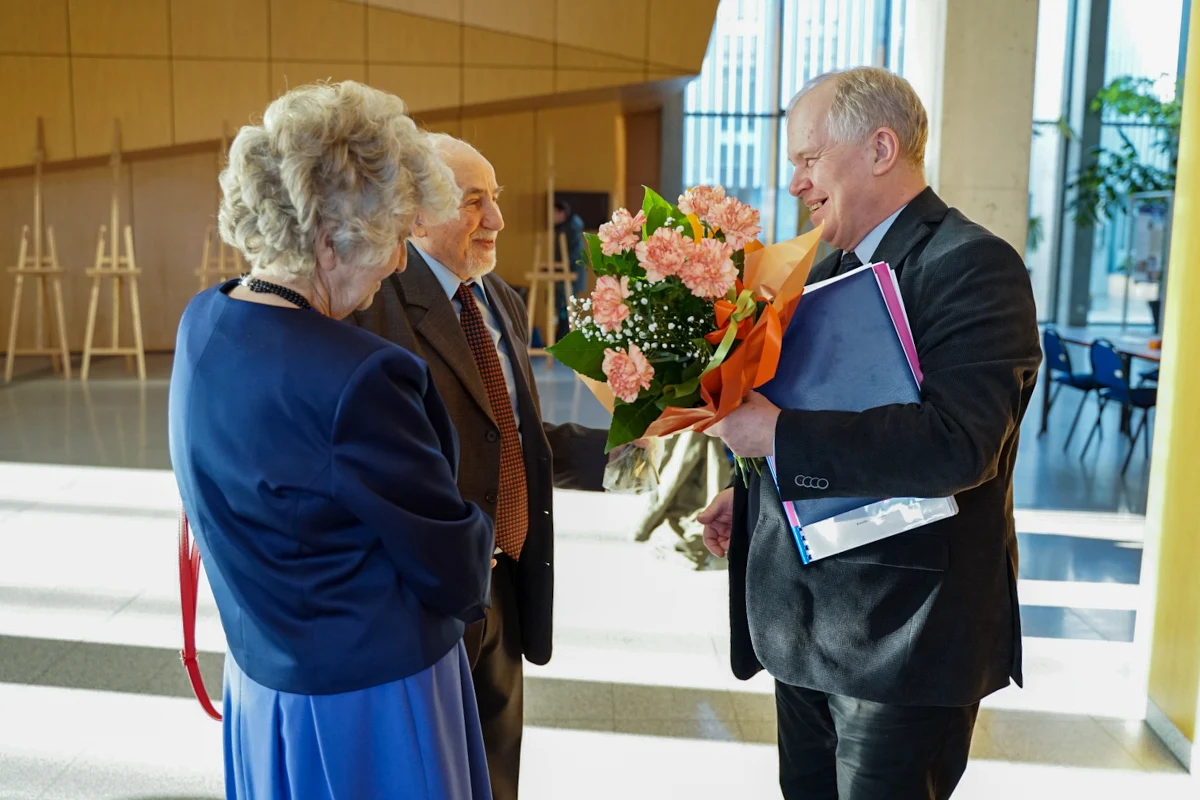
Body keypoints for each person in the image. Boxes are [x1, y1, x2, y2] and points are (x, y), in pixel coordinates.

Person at [699, 67, 1042, 799]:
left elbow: (958, 444)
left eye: (808, 159)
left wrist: (781, 441)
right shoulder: (819, 266)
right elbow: (817, 404)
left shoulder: (973, 265)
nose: (795, 183)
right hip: (806, 632)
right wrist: (759, 492)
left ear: (880, 148)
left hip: (903, 641)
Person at [169, 82, 496, 799]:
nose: (400, 263)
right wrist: (489, 534)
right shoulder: (359, 375)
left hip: (265, 677)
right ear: (328, 238)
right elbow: (448, 563)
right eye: (393, 237)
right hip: (369, 697)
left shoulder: (204, 321)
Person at [350, 134, 611, 800]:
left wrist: (628, 450)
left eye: (493, 200)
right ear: (413, 214)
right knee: (429, 776)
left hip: (507, 584)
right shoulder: (374, 307)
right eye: (473, 203)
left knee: (495, 773)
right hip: (428, 594)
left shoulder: (499, 299)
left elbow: (513, 435)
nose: (495, 220)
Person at [553, 199, 587, 339]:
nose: (552, 216)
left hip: (571, 273)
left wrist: (562, 269)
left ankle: (563, 338)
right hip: (567, 271)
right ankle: (562, 337)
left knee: (567, 306)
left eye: (555, 213)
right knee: (565, 306)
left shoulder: (571, 228)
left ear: (562, 213)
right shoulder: (565, 227)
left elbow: (571, 254)